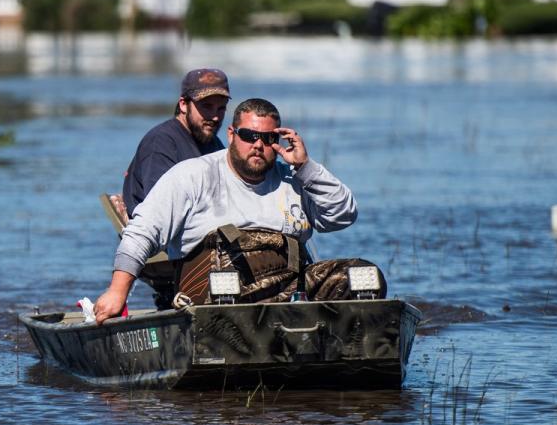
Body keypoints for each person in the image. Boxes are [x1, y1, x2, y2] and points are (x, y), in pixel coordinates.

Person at [95, 98, 374, 324]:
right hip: (215, 297)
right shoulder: (192, 175)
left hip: (288, 294)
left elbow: (342, 214)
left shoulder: (294, 179)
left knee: (362, 275)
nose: (258, 145)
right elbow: (142, 233)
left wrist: (306, 168)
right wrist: (117, 292)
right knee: (223, 280)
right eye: (249, 135)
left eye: (268, 138)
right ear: (231, 134)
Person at [121, 68, 231, 217]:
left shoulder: (212, 142)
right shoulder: (160, 142)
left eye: (221, 108)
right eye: (206, 106)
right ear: (183, 105)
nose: (215, 117)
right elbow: (162, 207)